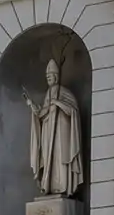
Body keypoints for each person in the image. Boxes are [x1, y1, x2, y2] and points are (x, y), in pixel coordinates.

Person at [26, 60, 85, 197]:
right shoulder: (49, 92)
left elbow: (73, 111)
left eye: (50, 76)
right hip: (49, 131)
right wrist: (33, 107)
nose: (48, 78)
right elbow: (44, 113)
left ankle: (63, 186)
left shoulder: (63, 92)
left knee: (61, 157)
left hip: (62, 132)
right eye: (47, 77)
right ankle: (50, 186)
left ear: (56, 77)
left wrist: (58, 103)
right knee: (49, 158)